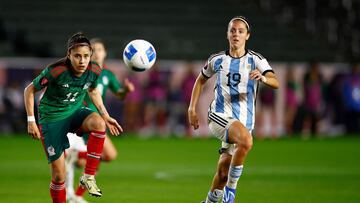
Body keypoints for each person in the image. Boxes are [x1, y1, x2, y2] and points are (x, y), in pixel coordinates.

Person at [188, 16, 279, 203]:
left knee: (222, 173)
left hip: (243, 123)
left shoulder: (256, 60)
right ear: (227, 34)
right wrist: (192, 108)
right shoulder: (217, 59)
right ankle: (230, 196)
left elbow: (275, 81)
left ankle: (209, 201)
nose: (236, 34)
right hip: (219, 116)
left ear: (247, 36)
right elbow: (201, 80)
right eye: (232, 30)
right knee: (246, 141)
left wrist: (263, 78)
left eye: (240, 31)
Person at [24, 32, 123, 203]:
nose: (82, 61)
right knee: (58, 176)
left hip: (74, 112)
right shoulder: (56, 70)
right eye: (77, 56)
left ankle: (88, 176)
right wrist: (31, 120)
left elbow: (92, 90)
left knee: (99, 123)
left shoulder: (94, 69)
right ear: (69, 54)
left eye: (86, 56)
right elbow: (29, 90)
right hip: (52, 119)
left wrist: (105, 115)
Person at [65, 38, 135, 202]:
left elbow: (119, 94)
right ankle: (76, 195)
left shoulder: (107, 75)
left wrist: (126, 90)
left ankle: (77, 160)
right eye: (93, 50)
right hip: (82, 120)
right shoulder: (81, 71)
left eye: (99, 50)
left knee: (109, 156)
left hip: (97, 122)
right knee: (92, 160)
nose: (96, 53)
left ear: (105, 53)